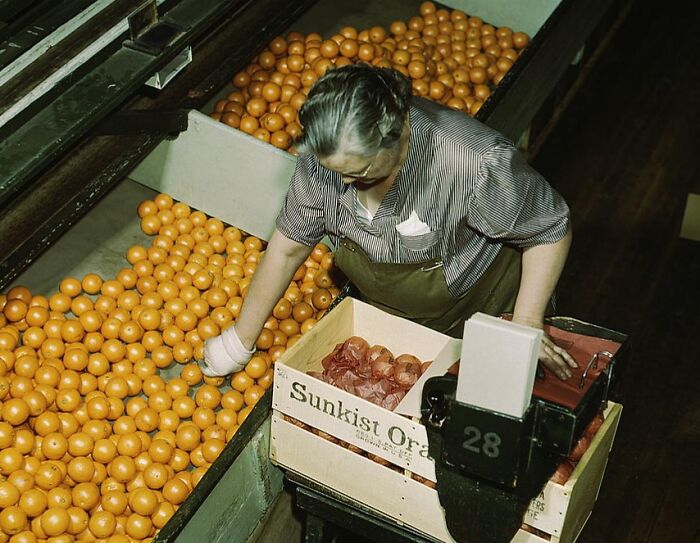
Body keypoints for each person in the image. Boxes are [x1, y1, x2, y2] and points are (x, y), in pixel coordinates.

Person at [203, 63, 577, 380]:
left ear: (398, 133)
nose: (344, 183)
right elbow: (288, 249)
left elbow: (549, 229)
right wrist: (240, 341)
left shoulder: (471, 163)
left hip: (479, 304)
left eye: (360, 172)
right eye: (333, 170)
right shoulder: (329, 158)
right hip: (395, 314)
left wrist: (526, 320)